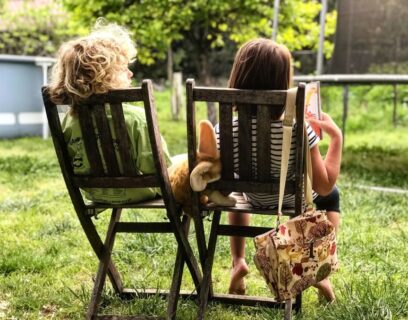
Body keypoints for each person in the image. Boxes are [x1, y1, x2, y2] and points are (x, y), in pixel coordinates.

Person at [217, 38, 342, 303]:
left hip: (253, 198)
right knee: (333, 196)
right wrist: (337, 138)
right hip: (290, 200)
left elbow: (223, 183)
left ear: (237, 78)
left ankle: (238, 261)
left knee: (239, 188)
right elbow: (323, 186)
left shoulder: (225, 129)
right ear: (284, 81)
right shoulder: (299, 129)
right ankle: (320, 270)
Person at [48, 20, 172, 204]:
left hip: (94, 192)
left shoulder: (68, 121)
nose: (130, 74)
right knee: (182, 163)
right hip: (139, 191)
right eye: (124, 68)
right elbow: (158, 168)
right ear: (103, 77)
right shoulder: (136, 119)